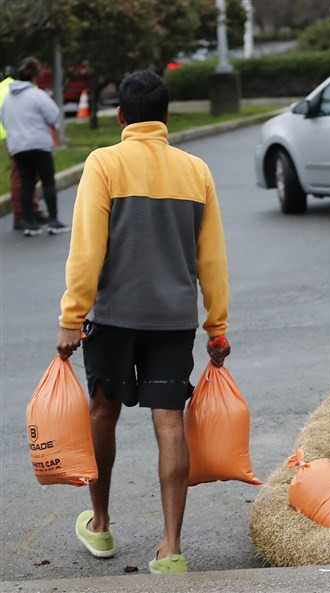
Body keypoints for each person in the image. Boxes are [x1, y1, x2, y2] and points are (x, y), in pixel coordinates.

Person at [55, 70, 230, 575]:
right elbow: (211, 258)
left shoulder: (104, 163)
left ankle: (102, 523)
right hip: (173, 320)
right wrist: (216, 327)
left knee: (102, 412)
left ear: (120, 117)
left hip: (112, 317)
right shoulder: (196, 171)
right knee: (170, 423)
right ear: (168, 115)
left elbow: (87, 249)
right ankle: (171, 547)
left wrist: (72, 317)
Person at [0, 57, 65, 236]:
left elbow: (4, 120)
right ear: (35, 77)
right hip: (39, 144)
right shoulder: (37, 95)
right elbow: (54, 116)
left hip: (18, 147)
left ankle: (29, 223)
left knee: (26, 183)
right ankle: (53, 221)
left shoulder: (8, 99)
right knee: (47, 182)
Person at [1, 66, 46, 230]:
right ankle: (22, 214)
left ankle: (30, 211)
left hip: (14, 136)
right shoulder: (14, 89)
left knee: (26, 177)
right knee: (21, 178)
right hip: (16, 136)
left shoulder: (7, 87)